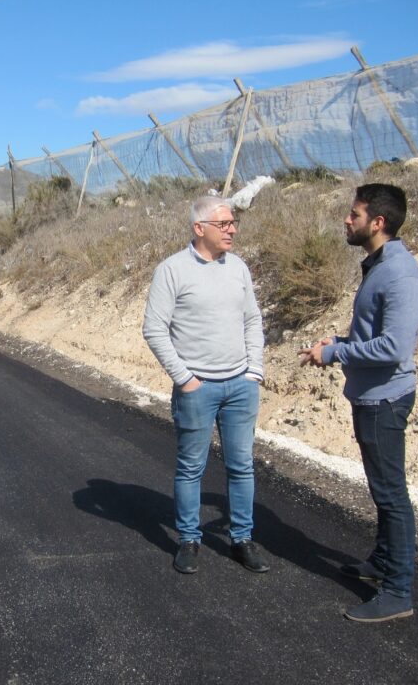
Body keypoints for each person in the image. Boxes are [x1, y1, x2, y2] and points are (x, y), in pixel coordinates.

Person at [300, 183, 418, 623]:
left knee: (391, 494)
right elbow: (373, 335)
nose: (346, 220)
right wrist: (337, 341)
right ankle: (383, 561)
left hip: (384, 399)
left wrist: (336, 353)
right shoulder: (378, 267)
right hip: (371, 395)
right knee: (382, 488)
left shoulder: (400, 272)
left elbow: (394, 347)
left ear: (378, 222)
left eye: (354, 214)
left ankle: (398, 590)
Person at [143, 195, 269, 575]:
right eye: (225, 223)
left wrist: (254, 370)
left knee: (242, 466)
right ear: (200, 229)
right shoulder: (171, 270)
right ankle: (189, 539)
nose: (232, 229)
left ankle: (242, 539)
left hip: (240, 386)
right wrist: (186, 379)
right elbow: (154, 329)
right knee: (190, 467)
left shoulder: (239, 268)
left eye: (233, 223)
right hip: (197, 390)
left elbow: (252, 321)